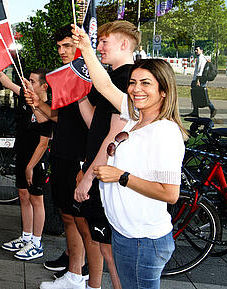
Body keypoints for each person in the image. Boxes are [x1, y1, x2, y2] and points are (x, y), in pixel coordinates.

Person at [72, 25, 185, 289]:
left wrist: (121, 177)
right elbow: (103, 84)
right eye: (133, 82)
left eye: (146, 84)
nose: (136, 89)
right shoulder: (135, 116)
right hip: (124, 233)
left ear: (164, 91)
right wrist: (87, 49)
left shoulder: (165, 131)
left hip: (143, 240)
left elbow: (170, 194)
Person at [73, 20, 140, 289]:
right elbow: (97, 126)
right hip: (101, 172)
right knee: (105, 247)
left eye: (104, 42)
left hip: (110, 176)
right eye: (98, 42)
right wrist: (77, 96)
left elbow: (114, 136)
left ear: (124, 44)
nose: (99, 47)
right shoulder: (113, 78)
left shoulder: (128, 79)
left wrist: (89, 177)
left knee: (113, 253)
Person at [23, 25, 90, 288]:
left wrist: (88, 165)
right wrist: (38, 103)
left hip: (79, 158)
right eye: (59, 46)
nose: (62, 51)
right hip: (61, 153)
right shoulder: (63, 75)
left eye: (67, 46)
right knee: (66, 216)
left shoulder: (88, 76)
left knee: (79, 220)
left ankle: (81, 275)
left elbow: (95, 122)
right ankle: (74, 271)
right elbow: (58, 117)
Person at [0, 68, 52, 261]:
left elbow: (44, 141)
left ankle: (36, 243)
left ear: (44, 86)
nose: (27, 84)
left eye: (32, 82)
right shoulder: (24, 96)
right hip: (21, 155)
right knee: (23, 195)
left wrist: (30, 166)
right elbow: (5, 81)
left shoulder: (48, 107)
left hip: (36, 161)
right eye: (27, 80)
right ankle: (26, 236)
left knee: (37, 199)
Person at [184, 46, 216, 118]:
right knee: (195, 95)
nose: (196, 51)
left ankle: (212, 109)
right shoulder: (200, 58)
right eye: (195, 50)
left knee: (203, 96)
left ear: (201, 50)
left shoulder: (201, 58)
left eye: (197, 50)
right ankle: (195, 111)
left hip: (200, 79)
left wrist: (197, 80)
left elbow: (200, 71)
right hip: (197, 79)